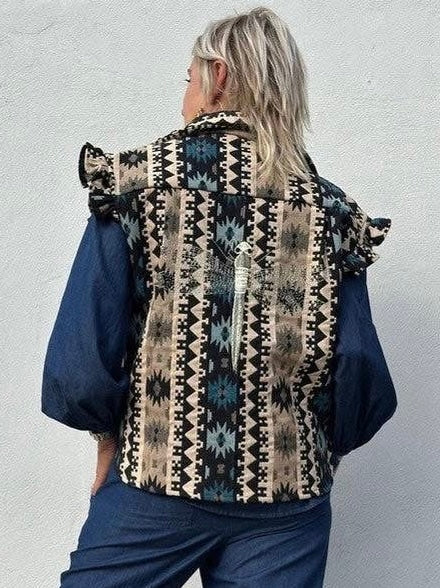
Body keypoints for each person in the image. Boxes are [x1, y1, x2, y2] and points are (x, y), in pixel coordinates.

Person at [41, 6, 397, 587]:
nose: (184, 96)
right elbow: (355, 362)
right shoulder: (330, 211)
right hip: (286, 502)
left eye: (188, 79)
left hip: (158, 480)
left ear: (219, 76)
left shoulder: (138, 184)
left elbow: (85, 349)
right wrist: (313, 457)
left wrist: (106, 443)